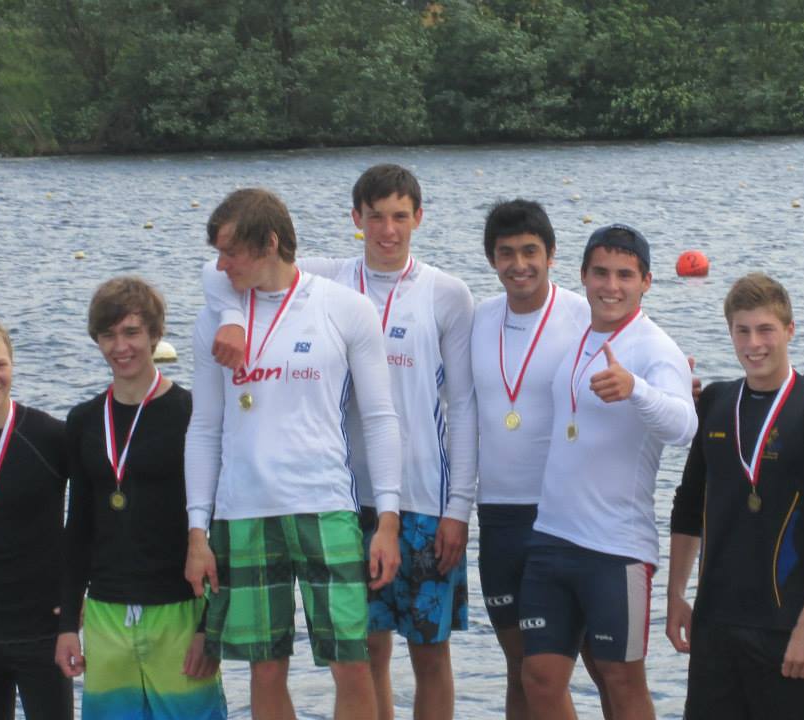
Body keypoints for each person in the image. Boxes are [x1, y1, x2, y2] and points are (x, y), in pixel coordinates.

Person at [202, 166, 477, 720]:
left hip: (422, 495)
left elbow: (465, 406)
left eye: (400, 216)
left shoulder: (448, 293)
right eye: (375, 217)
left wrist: (459, 508)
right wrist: (231, 317)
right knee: (363, 651)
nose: (388, 230)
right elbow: (219, 271)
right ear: (356, 219)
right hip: (343, 499)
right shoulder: (329, 276)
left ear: (418, 218)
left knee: (430, 650)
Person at [185, 188, 403, 720]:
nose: (221, 265)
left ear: (270, 243)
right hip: (243, 512)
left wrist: (388, 519)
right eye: (219, 253)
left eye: (231, 251)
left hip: (326, 505)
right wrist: (197, 531)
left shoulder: (346, 308)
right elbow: (205, 427)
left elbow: (380, 417)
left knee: (351, 663)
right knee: (265, 668)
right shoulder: (215, 319)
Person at [518, 224, 697, 720]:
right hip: (551, 536)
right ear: (583, 276)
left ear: (647, 282)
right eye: (601, 273)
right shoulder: (580, 335)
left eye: (625, 275)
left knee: (620, 680)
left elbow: (684, 426)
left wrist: (636, 389)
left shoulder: (655, 348)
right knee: (539, 679)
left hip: (616, 549)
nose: (611, 286)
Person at [668, 273, 804, 720]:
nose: (754, 344)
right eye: (743, 331)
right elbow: (689, 504)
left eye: (766, 330)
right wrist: (676, 595)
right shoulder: (715, 403)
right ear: (730, 332)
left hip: (789, 628)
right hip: (715, 626)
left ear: (790, 330)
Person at [54, 277, 226, 719]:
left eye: (131, 332)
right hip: (106, 614)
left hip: (179, 610)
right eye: (108, 335)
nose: (120, 347)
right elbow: (78, 527)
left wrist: (210, 628)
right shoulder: (83, 420)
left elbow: (219, 525)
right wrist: (67, 623)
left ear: (155, 334)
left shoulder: (193, 415)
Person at [472, 199, 594, 718]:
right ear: (491, 259)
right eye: (506, 253)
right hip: (497, 516)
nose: (519, 264)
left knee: (585, 670)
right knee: (520, 667)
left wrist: (679, 384)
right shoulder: (478, 318)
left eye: (530, 251)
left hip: (563, 517)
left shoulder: (584, 315)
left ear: (551, 254)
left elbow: (640, 358)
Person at [0, 315, 72, 720]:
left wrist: (78, 594)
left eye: (0, 364)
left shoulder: (49, 437)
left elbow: (94, 514)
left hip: (42, 631)